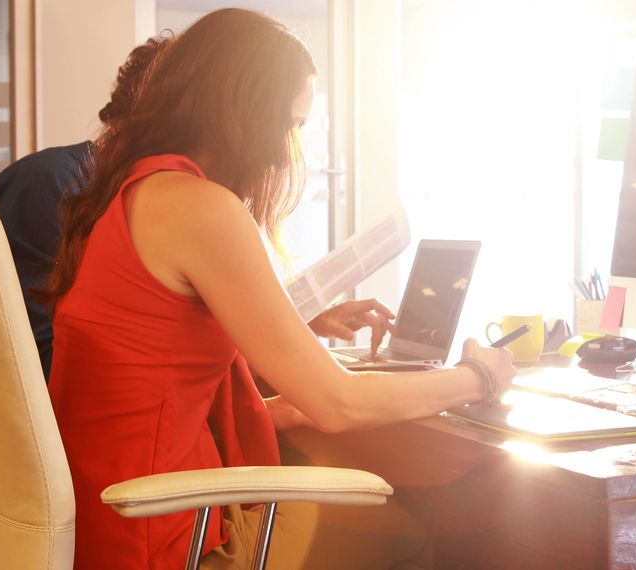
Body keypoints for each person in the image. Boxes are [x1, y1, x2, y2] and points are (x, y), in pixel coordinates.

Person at [41, 8, 516, 570]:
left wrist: (280, 410)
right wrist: (478, 377)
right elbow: (338, 403)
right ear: (245, 114)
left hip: (100, 519)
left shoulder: (128, 195)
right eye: (290, 125)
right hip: (159, 536)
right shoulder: (200, 209)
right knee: (413, 533)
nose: (283, 151)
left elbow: (146, 389)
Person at [0, 32, 393, 549]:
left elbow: (136, 349)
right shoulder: (61, 189)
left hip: (50, 478)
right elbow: (51, 371)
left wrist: (282, 327)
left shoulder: (127, 195)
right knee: (358, 533)